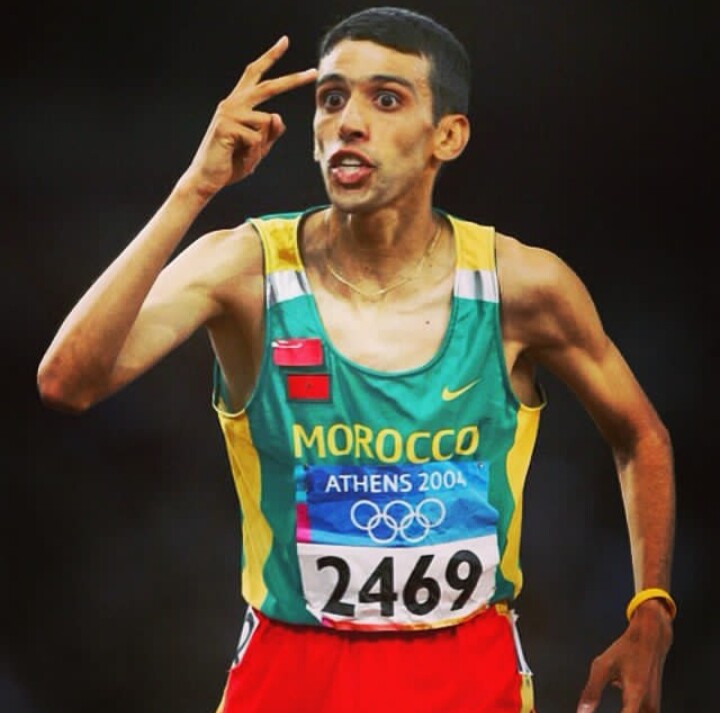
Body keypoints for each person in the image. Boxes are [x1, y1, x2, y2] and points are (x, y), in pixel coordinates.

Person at [36, 6, 676, 713]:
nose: (349, 122)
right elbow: (68, 380)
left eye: (386, 99)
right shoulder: (244, 271)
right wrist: (196, 187)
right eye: (332, 98)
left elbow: (640, 434)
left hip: (468, 671)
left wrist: (652, 606)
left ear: (447, 136)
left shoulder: (521, 288)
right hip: (290, 669)